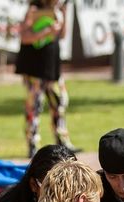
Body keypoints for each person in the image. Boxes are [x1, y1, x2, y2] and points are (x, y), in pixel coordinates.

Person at [15, 0, 78, 158]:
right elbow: (25, 36)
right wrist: (48, 30)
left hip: (53, 66)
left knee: (59, 103)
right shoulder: (34, 9)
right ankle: (32, 144)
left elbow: (62, 35)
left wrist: (64, 16)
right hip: (35, 68)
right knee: (34, 107)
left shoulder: (57, 10)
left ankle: (62, 141)